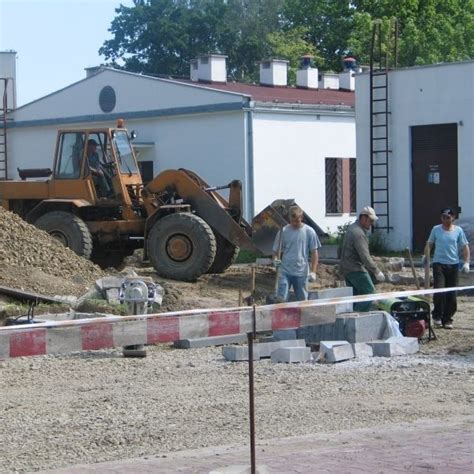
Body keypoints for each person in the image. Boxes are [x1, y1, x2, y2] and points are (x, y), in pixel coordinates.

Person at [424, 207, 470, 329]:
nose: (446, 220)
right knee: (439, 290)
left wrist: (466, 262)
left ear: (453, 218)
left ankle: (448, 319)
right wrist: (426, 256)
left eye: (448, 217)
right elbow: (429, 244)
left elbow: (465, 247)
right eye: (444, 217)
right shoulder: (436, 229)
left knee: (452, 294)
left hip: (453, 265)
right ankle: (437, 316)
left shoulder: (458, 230)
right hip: (439, 264)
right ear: (441, 218)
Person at [339, 206, 385, 312]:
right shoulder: (359, 234)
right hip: (356, 269)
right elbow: (365, 256)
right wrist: (376, 271)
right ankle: (357, 316)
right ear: (363, 218)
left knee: (356, 297)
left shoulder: (352, 228)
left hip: (347, 269)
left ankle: (352, 322)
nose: (372, 223)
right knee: (370, 293)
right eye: (371, 220)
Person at [272, 205, 321, 302]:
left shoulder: (309, 232)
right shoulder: (283, 231)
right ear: (289, 218)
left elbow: (314, 253)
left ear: (301, 218)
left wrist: (313, 271)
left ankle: (303, 317)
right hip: (285, 271)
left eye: (297, 221)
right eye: (292, 221)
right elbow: (275, 251)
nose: (295, 223)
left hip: (301, 272)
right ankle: (282, 316)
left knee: (302, 300)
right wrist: (275, 260)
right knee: (281, 299)